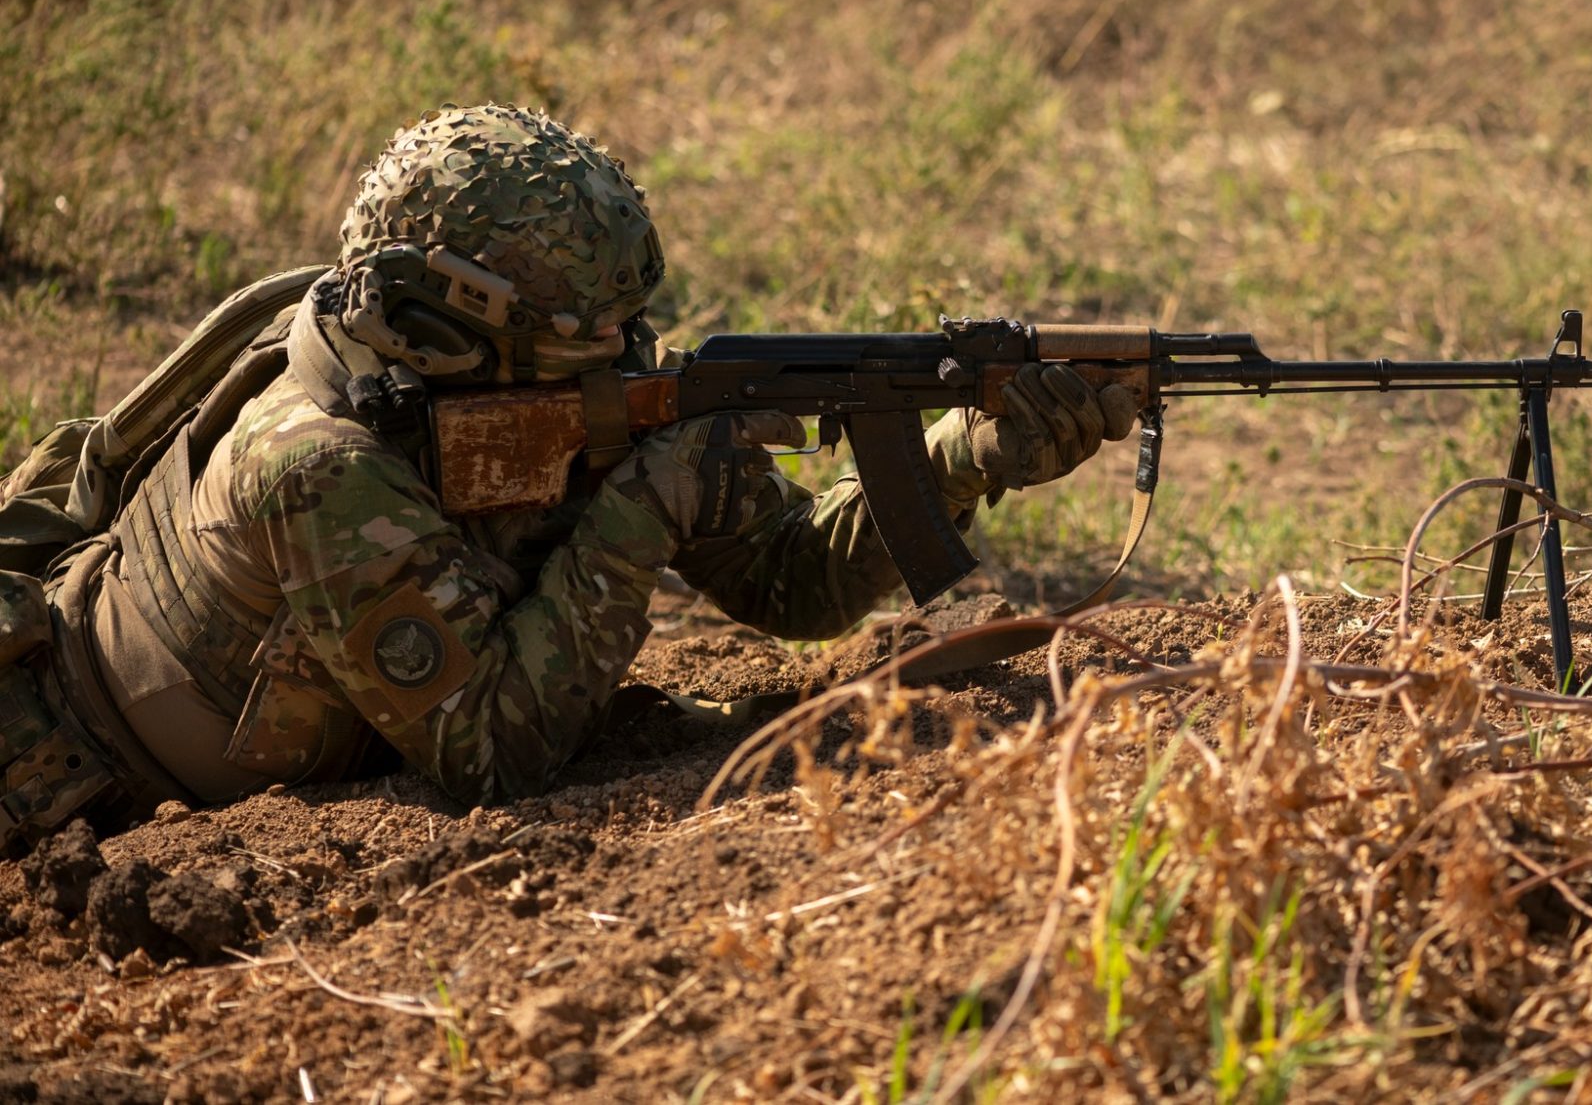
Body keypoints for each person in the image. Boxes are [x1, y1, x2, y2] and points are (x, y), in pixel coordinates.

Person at [0, 104, 1135, 852]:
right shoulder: (313, 463)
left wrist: (968, 458)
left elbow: (793, 588)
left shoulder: (528, 395)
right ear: (458, 321)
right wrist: (640, 512)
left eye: (625, 327)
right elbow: (492, 754)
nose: (624, 356)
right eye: (581, 335)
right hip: (65, 789)